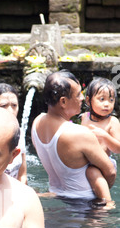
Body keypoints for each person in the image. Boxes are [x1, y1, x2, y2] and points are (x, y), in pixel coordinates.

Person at [31, 70, 116, 206]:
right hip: (85, 205)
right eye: (78, 94)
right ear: (63, 102)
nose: (82, 98)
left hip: (55, 198)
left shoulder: (37, 123)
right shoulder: (79, 133)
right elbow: (110, 172)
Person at [81, 77, 120, 205]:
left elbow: (118, 148)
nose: (107, 104)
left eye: (111, 100)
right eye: (102, 99)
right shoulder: (85, 117)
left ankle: (108, 202)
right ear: (88, 100)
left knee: (92, 172)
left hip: (103, 164)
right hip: (85, 161)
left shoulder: (112, 122)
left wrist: (105, 136)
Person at [0, 83, 27, 183]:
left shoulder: (19, 133)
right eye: (3, 106)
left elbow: (22, 174)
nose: (10, 111)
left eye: (14, 105)